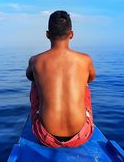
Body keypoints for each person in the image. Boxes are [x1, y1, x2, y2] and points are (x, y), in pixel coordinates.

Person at [26, 10, 96, 147]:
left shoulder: (35, 60)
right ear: (71, 34)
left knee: (36, 81)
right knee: (84, 84)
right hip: (81, 135)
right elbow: (91, 78)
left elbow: (29, 76)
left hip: (45, 136)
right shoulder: (85, 59)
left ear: (47, 35)